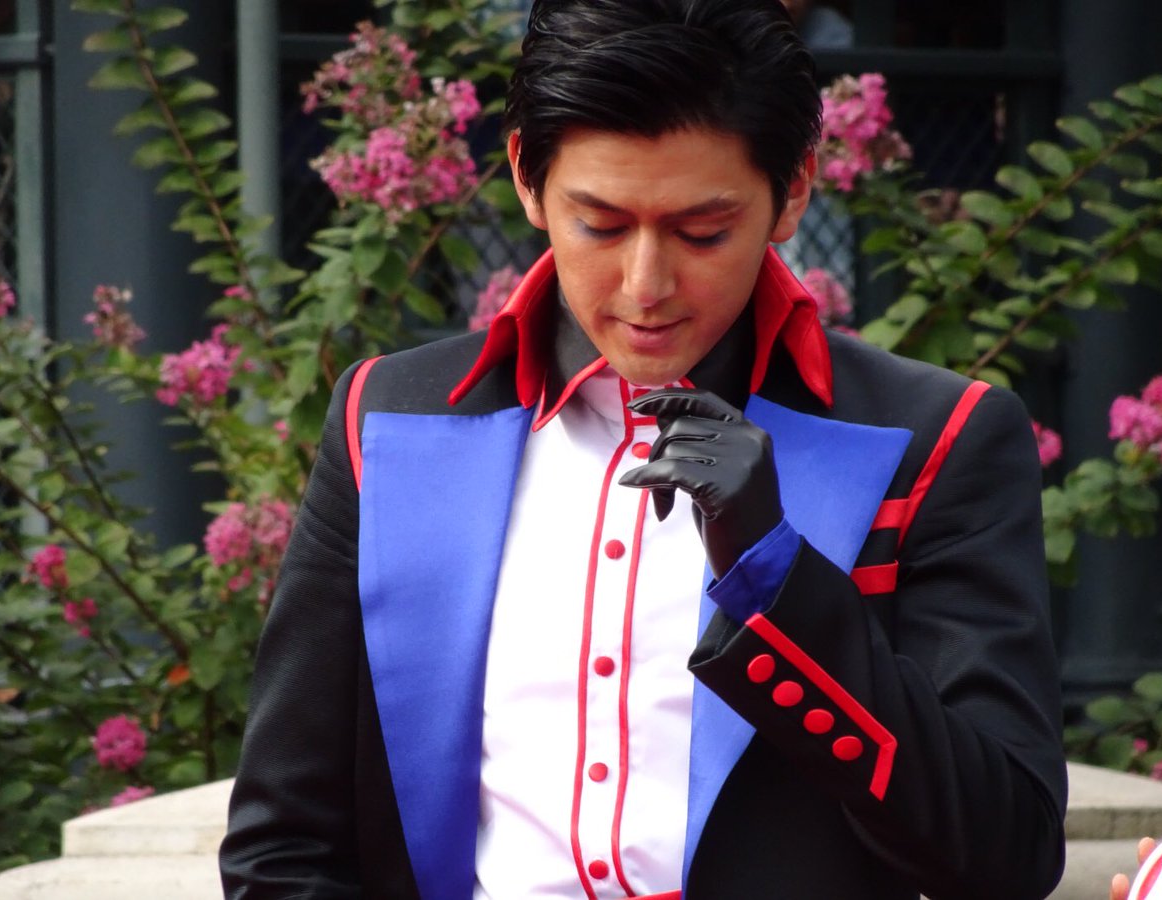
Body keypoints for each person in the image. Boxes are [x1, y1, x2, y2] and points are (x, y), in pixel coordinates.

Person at [219, 1, 1067, 897]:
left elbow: (1007, 855)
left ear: (794, 190)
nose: (646, 284)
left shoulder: (937, 440)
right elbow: (283, 845)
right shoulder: (387, 418)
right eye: (601, 225)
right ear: (526, 177)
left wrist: (775, 581)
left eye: (703, 232)